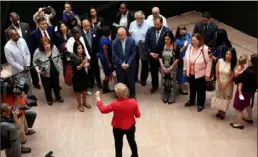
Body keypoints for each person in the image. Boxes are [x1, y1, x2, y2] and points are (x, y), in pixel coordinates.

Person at [95, 83, 141, 157]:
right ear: (127, 91)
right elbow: (138, 115)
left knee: (118, 146)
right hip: (130, 126)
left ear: (117, 94)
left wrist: (98, 98)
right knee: (132, 141)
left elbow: (103, 110)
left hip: (117, 128)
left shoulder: (114, 104)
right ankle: (135, 155)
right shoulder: (133, 102)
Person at [183, 33, 212, 112]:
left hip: (201, 73)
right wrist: (185, 69)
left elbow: (209, 62)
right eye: (192, 40)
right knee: (192, 88)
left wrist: (207, 74)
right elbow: (185, 58)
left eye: (195, 40)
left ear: (199, 40)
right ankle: (191, 101)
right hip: (191, 72)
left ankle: (200, 104)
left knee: (201, 90)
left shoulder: (205, 49)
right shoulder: (189, 47)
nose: (193, 42)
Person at [145, 16, 173, 94]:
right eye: (155, 24)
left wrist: (160, 54)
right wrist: (150, 52)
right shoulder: (150, 30)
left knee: (165, 72)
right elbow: (146, 42)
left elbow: (170, 44)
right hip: (152, 56)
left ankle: (166, 87)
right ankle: (154, 86)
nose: (155, 26)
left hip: (164, 56)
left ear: (162, 23)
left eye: (157, 24)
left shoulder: (168, 31)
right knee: (154, 72)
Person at [33, 37, 64, 106]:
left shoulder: (54, 47)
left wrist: (59, 65)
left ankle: (58, 97)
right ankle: (49, 99)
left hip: (55, 70)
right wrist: (37, 69)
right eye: (45, 45)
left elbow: (58, 57)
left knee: (56, 86)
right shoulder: (38, 51)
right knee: (47, 88)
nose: (47, 46)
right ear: (42, 46)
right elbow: (34, 62)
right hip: (45, 73)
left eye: (48, 44)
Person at [4, 29, 33, 98]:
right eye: (15, 36)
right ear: (10, 36)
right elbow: (11, 62)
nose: (17, 36)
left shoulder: (22, 40)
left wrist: (28, 65)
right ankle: (21, 99)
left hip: (27, 68)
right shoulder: (7, 47)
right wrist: (22, 68)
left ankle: (29, 95)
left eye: (17, 34)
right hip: (18, 71)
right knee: (21, 85)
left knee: (29, 83)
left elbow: (27, 53)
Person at [230, 54, 257, 129]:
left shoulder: (248, 72)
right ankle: (250, 118)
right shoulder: (255, 70)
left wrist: (236, 75)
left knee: (238, 107)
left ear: (253, 62)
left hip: (243, 91)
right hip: (251, 92)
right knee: (247, 104)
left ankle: (239, 124)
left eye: (249, 60)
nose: (248, 62)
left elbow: (238, 79)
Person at [30, 17, 55, 89]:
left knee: (53, 69)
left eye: (45, 23)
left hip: (51, 53)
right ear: (38, 24)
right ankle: (47, 87)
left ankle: (54, 84)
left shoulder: (50, 29)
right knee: (44, 72)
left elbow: (53, 41)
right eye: (42, 24)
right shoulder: (34, 34)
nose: (45, 25)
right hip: (42, 56)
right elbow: (32, 47)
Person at [112, 27, 137, 98]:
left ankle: (132, 96)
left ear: (125, 33)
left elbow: (134, 53)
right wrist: (121, 64)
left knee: (131, 82)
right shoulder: (114, 42)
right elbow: (114, 55)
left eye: (122, 35)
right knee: (121, 82)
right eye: (118, 35)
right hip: (120, 66)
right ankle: (122, 97)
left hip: (130, 65)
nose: (120, 37)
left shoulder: (132, 41)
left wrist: (128, 63)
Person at [129, 10, 151, 85]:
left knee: (144, 63)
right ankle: (135, 77)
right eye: (137, 18)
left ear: (143, 17)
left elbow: (150, 36)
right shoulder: (132, 23)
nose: (139, 20)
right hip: (134, 46)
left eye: (140, 18)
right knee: (135, 63)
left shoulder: (148, 24)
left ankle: (143, 79)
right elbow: (130, 34)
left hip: (143, 46)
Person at [214, 48, 237, 119]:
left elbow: (232, 76)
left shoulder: (233, 64)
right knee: (219, 96)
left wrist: (226, 84)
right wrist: (218, 81)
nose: (228, 56)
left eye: (230, 55)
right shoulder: (220, 61)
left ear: (232, 56)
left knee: (226, 98)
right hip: (219, 82)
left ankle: (223, 111)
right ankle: (219, 110)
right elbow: (216, 71)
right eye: (227, 54)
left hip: (228, 84)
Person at [159, 31, 179, 104]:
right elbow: (160, 57)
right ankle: (164, 95)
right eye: (165, 39)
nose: (166, 41)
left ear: (171, 39)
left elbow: (177, 58)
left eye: (168, 39)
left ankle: (171, 97)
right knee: (163, 82)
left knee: (172, 83)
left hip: (172, 68)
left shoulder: (175, 46)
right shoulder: (162, 45)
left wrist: (171, 67)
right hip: (163, 67)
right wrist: (162, 67)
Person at [81, 19, 102, 89]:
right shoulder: (81, 35)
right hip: (87, 55)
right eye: (86, 26)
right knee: (90, 69)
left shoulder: (94, 31)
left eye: (89, 25)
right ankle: (91, 82)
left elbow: (98, 42)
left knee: (96, 68)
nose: (88, 27)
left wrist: (98, 52)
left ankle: (99, 82)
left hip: (94, 54)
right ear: (82, 26)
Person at [72, 41, 91, 112]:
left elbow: (86, 64)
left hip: (83, 75)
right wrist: (82, 64)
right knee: (78, 92)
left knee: (84, 90)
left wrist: (87, 64)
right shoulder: (73, 57)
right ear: (75, 49)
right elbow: (76, 68)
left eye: (81, 48)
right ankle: (79, 105)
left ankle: (85, 103)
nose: (80, 49)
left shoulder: (83, 55)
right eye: (78, 48)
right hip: (77, 76)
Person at [174, 25, 191, 94]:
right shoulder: (177, 41)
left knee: (188, 72)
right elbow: (177, 52)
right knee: (181, 73)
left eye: (184, 30)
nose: (183, 32)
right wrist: (184, 46)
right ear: (178, 32)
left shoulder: (188, 35)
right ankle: (182, 88)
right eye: (180, 31)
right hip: (182, 59)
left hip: (189, 57)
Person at [99, 26, 114, 93]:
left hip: (104, 57)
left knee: (107, 72)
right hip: (106, 59)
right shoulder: (105, 41)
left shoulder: (102, 38)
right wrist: (108, 63)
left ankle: (105, 86)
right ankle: (104, 89)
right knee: (107, 73)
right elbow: (105, 53)